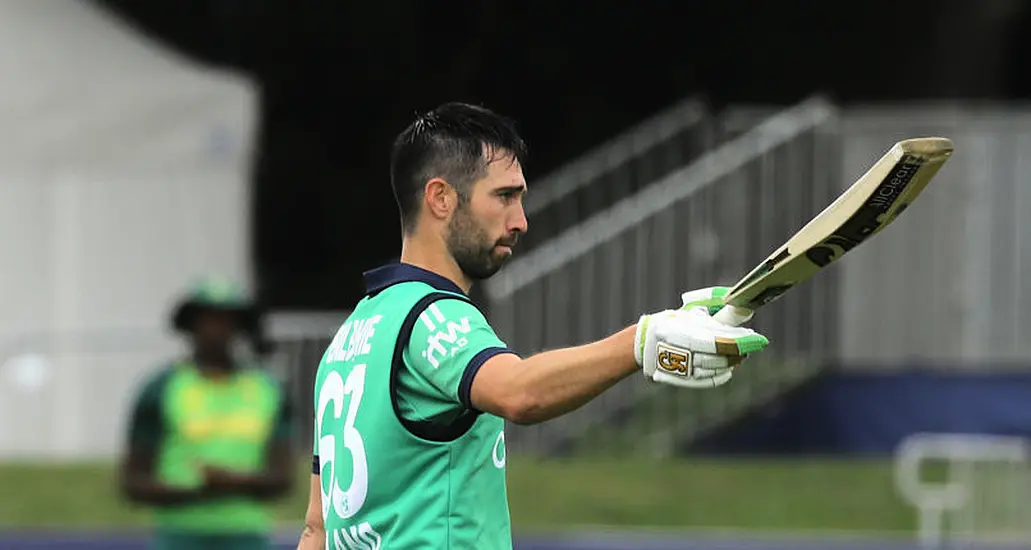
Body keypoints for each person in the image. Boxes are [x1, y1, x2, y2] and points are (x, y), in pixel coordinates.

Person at [296, 103, 770, 550]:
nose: (520, 221)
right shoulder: (434, 315)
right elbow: (519, 392)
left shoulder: (349, 338)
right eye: (503, 196)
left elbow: (316, 530)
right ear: (440, 198)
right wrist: (642, 342)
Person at [120, 277, 295, 550]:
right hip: (179, 536)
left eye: (227, 320)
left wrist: (236, 482)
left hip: (246, 536)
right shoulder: (160, 388)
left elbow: (283, 478)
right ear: (189, 326)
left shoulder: (267, 390)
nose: (217, 330)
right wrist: (192, 490)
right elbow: (132, 481)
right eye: (208, 319)